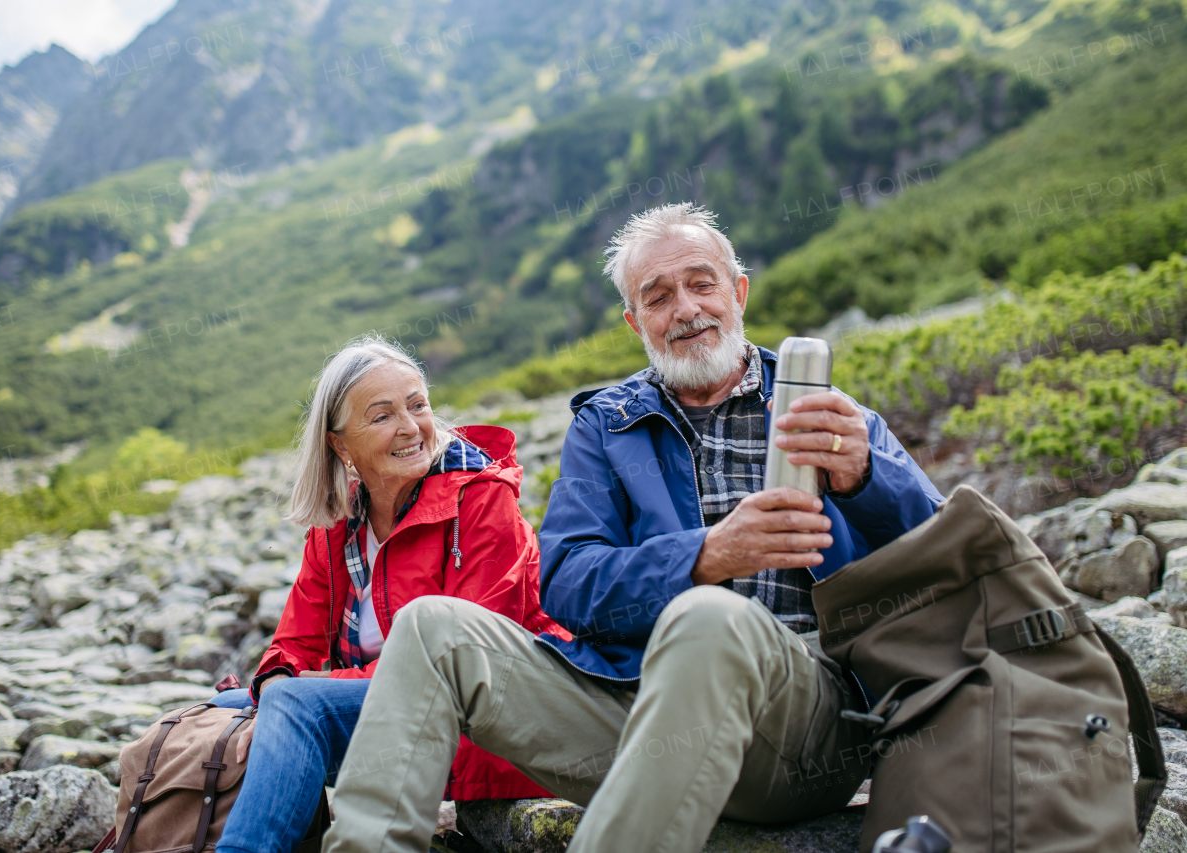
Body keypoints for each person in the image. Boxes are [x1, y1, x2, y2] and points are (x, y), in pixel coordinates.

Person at [323, 203, 946, 853]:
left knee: (709, 618)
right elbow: (564, 584)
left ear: (738, 292)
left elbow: (942, 556)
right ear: (634, 322)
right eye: (658, 296)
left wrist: (868, 477)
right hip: (636, 712)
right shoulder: (606, 425)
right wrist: (703, 555)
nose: (685, 309)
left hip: (802, 731)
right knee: (431, 628)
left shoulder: (831, 420)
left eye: (702, 284)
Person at [209, 337, 568, 853]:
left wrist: (305, 689)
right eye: (382, 416)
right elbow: (294, 644)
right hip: (382, 713)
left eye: (417, 405)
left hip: (477, 719)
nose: (410, 427)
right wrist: (278, 684)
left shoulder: (482, 499)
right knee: (223, 705)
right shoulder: (337, 523)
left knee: (297, 704)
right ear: (340, 445)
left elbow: (469, 660)